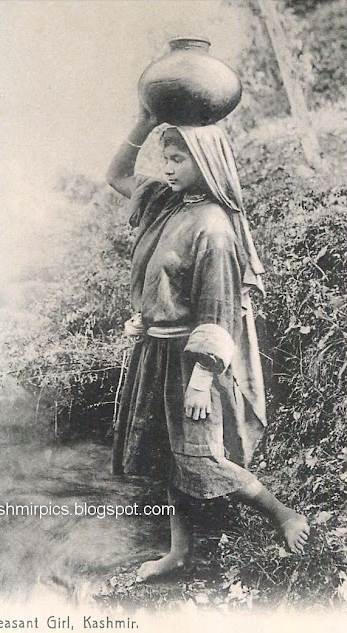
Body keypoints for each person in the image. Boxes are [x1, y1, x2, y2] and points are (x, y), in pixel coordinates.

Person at [106, 105, 309, 583]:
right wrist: (144, 118)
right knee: (167, 456)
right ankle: (179, 552)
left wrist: (201, 380)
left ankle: (283, 514)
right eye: (166, 157)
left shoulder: (214, 228)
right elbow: (116, 173)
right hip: (157, 352)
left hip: (194, 364)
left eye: (179, 158)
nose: (169, 168)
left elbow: (217, 311)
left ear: (207, 160)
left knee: (203, 458)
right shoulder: (166, 204)